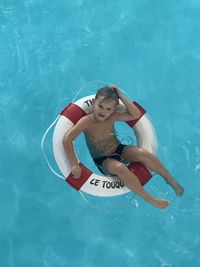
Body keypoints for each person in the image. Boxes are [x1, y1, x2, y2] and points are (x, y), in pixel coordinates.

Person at [63, 85, 184, 209]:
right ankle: (151, 199)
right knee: (120, 168)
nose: (103, 111)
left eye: (108, 108)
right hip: (103, 160)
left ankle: (170, 179)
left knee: (144, 154)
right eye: (100, 106)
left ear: (114, 109)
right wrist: (74, 164)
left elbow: (135, 114)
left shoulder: (113, 115)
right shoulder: (86, 121)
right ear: (94, 102)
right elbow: (67, 139)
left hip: (119, 149)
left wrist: (120, 96)